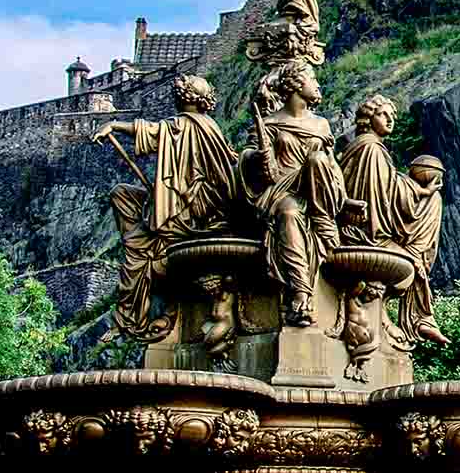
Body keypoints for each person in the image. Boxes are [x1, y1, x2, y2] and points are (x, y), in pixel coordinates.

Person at [93, 75, 239, 340]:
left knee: (137, 256)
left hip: (187, 212)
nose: (174, 98)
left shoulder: (184, 124)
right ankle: (139, 241)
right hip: (195, 205)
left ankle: (129, 319)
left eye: (178, 94)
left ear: (186, 98)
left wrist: (113, 124)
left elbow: (150, 130)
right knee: (122, 194)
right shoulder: (210, 126)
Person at [239, 61, 349, 326]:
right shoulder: (269, 123)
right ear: (296, 85)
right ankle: (301, 293)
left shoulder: (321, 125)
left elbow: (332, 165)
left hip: (316, 190)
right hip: (281, 190)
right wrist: (257, 156)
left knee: (317, 160)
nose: (318, 85)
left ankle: (322, 218)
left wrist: (345, 198)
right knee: (289, 213)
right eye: (312, 79)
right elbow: (248, 159)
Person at [337, 95, 448, 345]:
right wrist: (422, 191)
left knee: (432, 203)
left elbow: (390, 184)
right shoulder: (370, 149)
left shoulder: (370, 149)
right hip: (368, 231)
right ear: (368, 119)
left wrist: (420, 190)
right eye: (383, 114)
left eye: (392, 116)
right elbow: (383, 192)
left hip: (367, 226)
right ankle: (418, 320)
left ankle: (413, 319)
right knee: (412, 260)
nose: (389, 120)